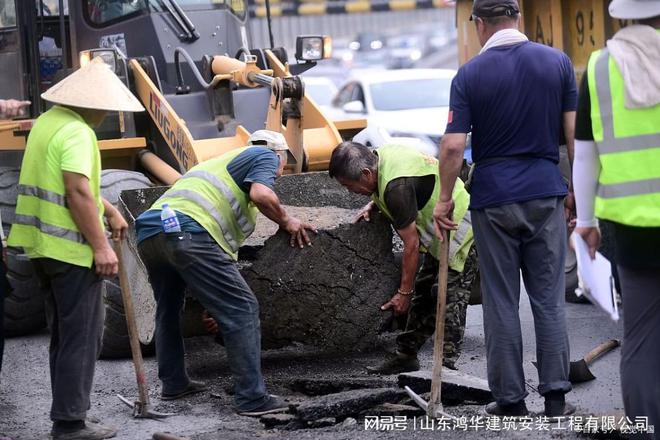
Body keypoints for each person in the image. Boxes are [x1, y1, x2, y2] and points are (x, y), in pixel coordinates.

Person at [432, 0, 577, 417]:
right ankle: (555, 397)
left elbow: (454, 145)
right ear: (519, 19)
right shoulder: (558, 63)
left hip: (493, 199)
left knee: (500, 300)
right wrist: (576, 192)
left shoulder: (469, 74)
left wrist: (444, 200)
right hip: (544, 192)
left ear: (479, 25)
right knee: (548, 299)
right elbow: (573, 137)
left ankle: (511, 399)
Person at [7, 58, 144, 440]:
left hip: (42, 249)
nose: (106, 113)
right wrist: (102, 249)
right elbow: (77, 191)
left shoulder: (48, 124)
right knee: (83, 337)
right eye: (103, 105)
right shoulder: (79, 132)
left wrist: (110, 208)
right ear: (89, 102)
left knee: (66, 336)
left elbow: (71, 184)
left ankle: (71, 413)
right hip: (70, 251)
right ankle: (69, 423)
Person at [135, 130, 316, 417]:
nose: (280, 173)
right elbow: (261, 193)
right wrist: (287, 220)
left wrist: (212, 305)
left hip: (151, 233)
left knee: (168, 310)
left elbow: (219, 259)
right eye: (283, 164)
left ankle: (174, 383)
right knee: (243, 308)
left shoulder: (214, 170)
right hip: (188, 231)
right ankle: (252, 398)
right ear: (277, 154)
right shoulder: (263, 154)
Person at [573, 0, 660, 436]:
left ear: (620, 15)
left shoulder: (600, 68)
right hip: (634, 227)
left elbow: (585, 154)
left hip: (632, 229)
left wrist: (585, 220)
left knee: (642, 337)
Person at [328, 142, 477, 374]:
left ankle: (446, 369)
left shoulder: (396, 187)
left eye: (350, 185)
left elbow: (411, 245)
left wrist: (403, 293)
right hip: (437, 233)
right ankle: (405, 356)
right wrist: (374, 203)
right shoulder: (381, 160)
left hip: (459, 226)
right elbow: (405, 187)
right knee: (424, 295)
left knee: (448, 297)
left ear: (366, 173)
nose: (350, 191)